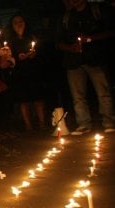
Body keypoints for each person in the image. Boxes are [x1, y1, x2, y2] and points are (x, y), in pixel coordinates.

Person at [57, 0, 115, 135]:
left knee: (103, 91)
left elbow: (110, 30)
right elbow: (58, 41)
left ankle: (109, 121)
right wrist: (71, 48)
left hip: (95, 58)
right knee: (78, 95)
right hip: (74, 61)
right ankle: (83, 123)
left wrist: (90, 38)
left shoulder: (97, 10)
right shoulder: (66, 17)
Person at [6, 14, 47, 132]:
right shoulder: (10, 40)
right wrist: (18, 57)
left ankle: (42, 123)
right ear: (12, 26)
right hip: (20, 72)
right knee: (24, 100)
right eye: (15, 22)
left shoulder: (31, 36)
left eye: (21, 21)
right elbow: (9, 55)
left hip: (33, 70)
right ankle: (28, 125)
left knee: (38, 97)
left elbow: (39, 50)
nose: (19, 24)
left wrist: (34, 54)